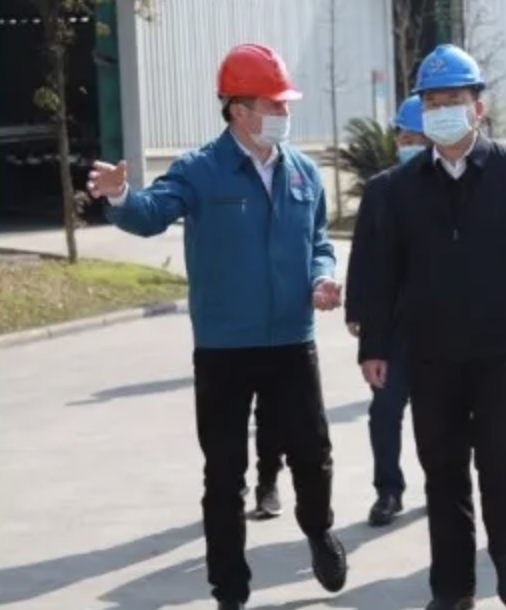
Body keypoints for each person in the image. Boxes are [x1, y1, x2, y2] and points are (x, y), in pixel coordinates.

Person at [87, 43, 348, 610]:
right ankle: (229, 588)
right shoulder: (199, 170)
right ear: (238, 110)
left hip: (292, 340)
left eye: (285, 103)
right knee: (225, 471)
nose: (283, 113)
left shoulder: (303, 171)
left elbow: (319, 242)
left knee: (312, 453)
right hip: (225, 348)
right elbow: (152, 213)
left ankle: (319, 530)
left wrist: (323, 277)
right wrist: (121, 195)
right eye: (273, 104)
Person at [358, 44, 506, 610]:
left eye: (453, 99)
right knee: (442, 467)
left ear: (479, 106)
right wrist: (375, 345)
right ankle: (452, 587)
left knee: (502, 458)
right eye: (431, 102)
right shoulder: (401, 187)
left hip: (500, 348)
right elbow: (382, 271)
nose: (442, 110)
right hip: (429, 350)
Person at [345, 95, 429, 526]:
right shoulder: (380, 189)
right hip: (392, 327)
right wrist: (356, 309)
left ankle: (442, 484)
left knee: (439, 418)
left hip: (440, 327)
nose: (409, 144)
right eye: (404, 137)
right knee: (384, 412)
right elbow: (362, 254)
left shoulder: (450, 187)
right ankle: (388, 491)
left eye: (418, 138)